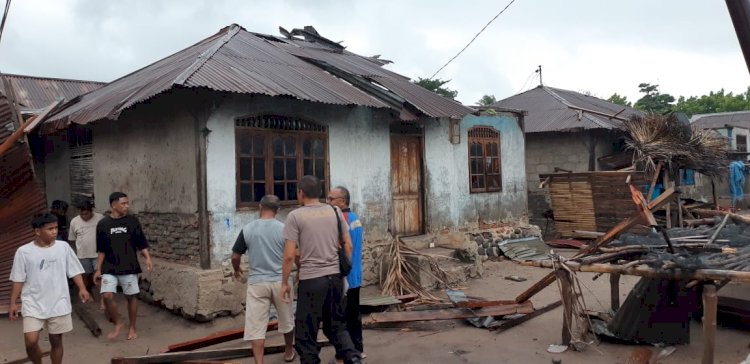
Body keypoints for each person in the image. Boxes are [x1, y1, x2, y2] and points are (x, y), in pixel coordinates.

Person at [281, 175, 361, 364]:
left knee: (306, 333)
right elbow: (348, 245)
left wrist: (284, 282)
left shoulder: (295, 216)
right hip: (334, 279)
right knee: (337, 327)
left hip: (311, 281)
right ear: (320, 193)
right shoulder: (334, 211)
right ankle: (353, 358)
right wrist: (343, 273)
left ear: (301, 193)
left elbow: (289, 255)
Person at [9, 213, 91, 364]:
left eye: (56, 228)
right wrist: (13, 302)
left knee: (56, 341)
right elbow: (18, 279)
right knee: (31, 342)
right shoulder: (23, 252)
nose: (54, 232)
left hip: (59, 301)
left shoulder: (63, 247)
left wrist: (82, 288)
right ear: (38, 231)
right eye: (50, 229)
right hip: (33, 301)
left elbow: (74, 270)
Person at [231, 195, 296, 364]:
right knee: (287, 319)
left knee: (256, 327)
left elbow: (235, 256)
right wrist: (300, 272)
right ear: (278, 210)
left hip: (257, 283)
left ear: (260, 207)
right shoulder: (285, 229)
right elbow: (293, 255)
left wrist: (236, 269)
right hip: (281, 282)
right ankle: (289, 351)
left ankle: (259, 362)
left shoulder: (248, 229)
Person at [94, 192, 153, 341]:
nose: (127, 206)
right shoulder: (103, 224)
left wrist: (147, 258)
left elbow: (141, 242)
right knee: (107, 295)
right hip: (109, 267)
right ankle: (118, 323)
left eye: (127, 203)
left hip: (129, 266)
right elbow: (101, 249)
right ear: (114, 205)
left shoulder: (132, 221)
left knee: (131, 297)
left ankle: (132, 326)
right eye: (123, 203)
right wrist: (98, 269)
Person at [327, 186, 365, 361]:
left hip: (344, 277)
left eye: (331, 199)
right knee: (354, 315)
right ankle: (358, 348)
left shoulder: (340, 219)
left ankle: (344, 353)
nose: (328, 202)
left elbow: (343, 247)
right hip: (356, 275)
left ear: (342, 201)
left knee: (340, 318)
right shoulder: (355, 218)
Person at [68, 199, 104, 307]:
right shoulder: (74, 222)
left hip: (98, 254)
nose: (84, 216)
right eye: (82, 214)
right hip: (83, 255)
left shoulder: (100, 219)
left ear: (91, 211)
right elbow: (72, 239)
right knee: (86, 277)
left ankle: (104, 300)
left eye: (86, 213)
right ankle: (88, 292)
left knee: (100, 277)